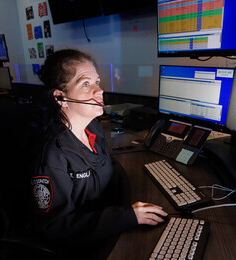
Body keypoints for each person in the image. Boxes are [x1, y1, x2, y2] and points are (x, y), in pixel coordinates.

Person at [28, 49, 167, 248]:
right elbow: (55, 226)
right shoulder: (52, 156)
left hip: (107, 221)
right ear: (60, 98)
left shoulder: (93, 127)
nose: (98, 91)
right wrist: (126, 217)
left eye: (97, 82)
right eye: (86, 84)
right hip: (82, 244)